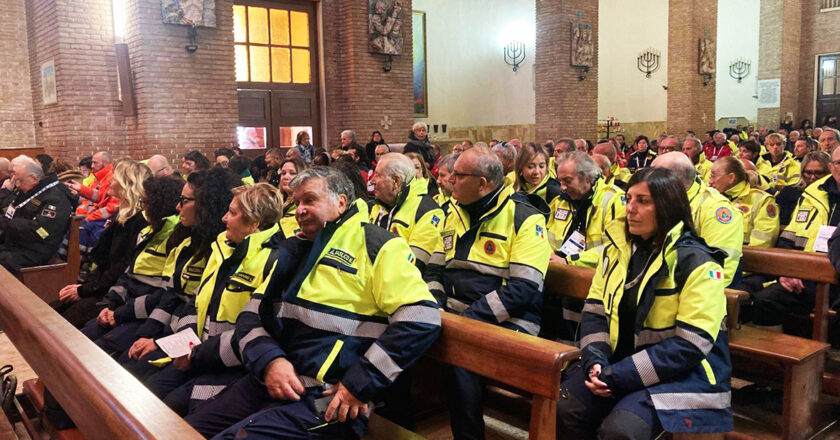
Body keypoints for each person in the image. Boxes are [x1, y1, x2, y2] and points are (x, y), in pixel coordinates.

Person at [185, 166, 441, 439]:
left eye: (310, 200)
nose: (299, 210)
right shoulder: (294, 248)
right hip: (269, 381)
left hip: (328, 398)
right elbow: (251, 316)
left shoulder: (377, 246)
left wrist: (359, 384)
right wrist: (271, 361)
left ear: (341, 202)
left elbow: (421, 319)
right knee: (184, 431)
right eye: (296, 203)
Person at [557, 167, 732, 439]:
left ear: (667, 206)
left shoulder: (697, 262)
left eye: (644, 201)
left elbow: (691, 344)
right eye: (629, 199)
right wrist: (595, 362)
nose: (631, 209)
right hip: (617, 364)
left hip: (681, 375)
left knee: (622, 431)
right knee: (564, 407)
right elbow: (594, 311)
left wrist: (617, 375)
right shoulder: (616, 251)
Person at [424, 147, 551, 439]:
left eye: (458, 176)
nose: (449, 180)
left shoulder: (525, 218)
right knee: (405, 332)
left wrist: (467, 320)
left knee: (460, 359)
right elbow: (433, 271)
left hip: (510, 320)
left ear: (482, 183)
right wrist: (436, 303)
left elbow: (524, 289)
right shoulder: (451, 213)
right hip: (456, 316)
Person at [142, 183, 286, 415]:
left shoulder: (274, 261)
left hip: (232, 366)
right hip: (198, 353)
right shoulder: (223, 249)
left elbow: (255, 332)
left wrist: (197, 356)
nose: (223, 218)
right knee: (146, 392)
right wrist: (185, 344)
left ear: (254, 223)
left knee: (173, 412)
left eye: (233, 213)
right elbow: (196, 303)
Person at [123, 168, 238, 371]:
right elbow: (170, 296)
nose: (178, 207)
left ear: (205, 205)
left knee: (136, 374)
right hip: (172, 332)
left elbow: (194, 309)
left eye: (185, 200)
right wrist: (149, 334)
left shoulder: (221, 250)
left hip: (193, 342)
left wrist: (159, 340)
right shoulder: (187, 242)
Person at [79, 175, 184, 352]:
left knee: (96, 350)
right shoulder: (147, 231)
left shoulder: (175, 237)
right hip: (124, 305)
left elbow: (162, 294)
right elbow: (128, 275)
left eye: (146, 202)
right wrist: (109, 305)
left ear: (158, 204)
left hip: (143, 314)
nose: (143, 207)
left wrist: (118, 313)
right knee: (80, 336)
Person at [750, 146, 840, 329]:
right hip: (807, 276)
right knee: (765, 301)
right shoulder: (811, 195)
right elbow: (788, 238)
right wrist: (789, 271)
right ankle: (774, 355)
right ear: (832, 167)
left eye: (817, 172)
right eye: (839, 163)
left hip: (838, 279)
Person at [54, 161, 153, 328]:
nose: (110, 182)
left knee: (65, 323)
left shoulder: (139, 221)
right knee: (54, 310)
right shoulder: (121, 215)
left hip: (116, 293)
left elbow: (122, 267)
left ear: (126, 185)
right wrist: (84, 287)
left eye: (114, 179)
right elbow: (103, 261)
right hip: (101, 286)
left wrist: (85, 290)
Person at [652, 152, 743, 285]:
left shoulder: (715, 208)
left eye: (653, 176)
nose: (646, 180)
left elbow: (719, 270)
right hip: (662, 278)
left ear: (672, 180)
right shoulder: (656, 200)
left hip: (698, 287)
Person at [0, 155, 75, 273]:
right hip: (16, 244)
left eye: (19, 180)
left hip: (35, 251)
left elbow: (39, 231)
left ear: (34, 179)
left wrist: (5, 222)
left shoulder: (55, 199)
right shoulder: (27, 191)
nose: (17, 184)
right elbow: (10, 212)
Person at [370, 153, 443, 274]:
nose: (372, 181)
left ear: (396, 181)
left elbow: (414, 265)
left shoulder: (428, 212)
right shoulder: (377, 206)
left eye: (377, 175)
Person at [708, 156, 779, 247]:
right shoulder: (710, 197)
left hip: (745, 257)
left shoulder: (761, 200)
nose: (710, 181)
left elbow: (762, 242)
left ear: (731, 178)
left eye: (714, 176)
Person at [68, 151, 118, 253]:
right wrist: (78, 192)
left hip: (95, 219)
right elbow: (96, 197)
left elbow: (110, 207)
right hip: (86, 216)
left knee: (80, 232)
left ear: (105, 163)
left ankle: (76, 263)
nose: (92, 166)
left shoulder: (111, 179)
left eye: (95, 163)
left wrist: (90, 217)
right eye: (92, 163)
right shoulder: (98, 177)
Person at [775, 151, 830, 225]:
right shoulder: (788, 193)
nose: (813, 177)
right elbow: (777, 224)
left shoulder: (834, 195)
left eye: (819, 173)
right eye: (808, 173)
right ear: (802, 172)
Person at [514, 143, 561, 215]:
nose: (536, 172)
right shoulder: (513, 189)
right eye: (530, 167)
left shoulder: (554, 191)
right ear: (520, 167)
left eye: (541, 166)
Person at [277, 158, 306, 237]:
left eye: (292, 173)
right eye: (283, 173)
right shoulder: (274, 200)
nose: (286, 177)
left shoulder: (305, 208)